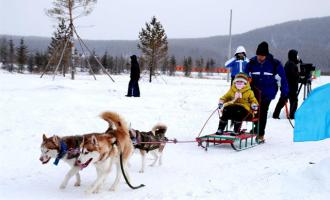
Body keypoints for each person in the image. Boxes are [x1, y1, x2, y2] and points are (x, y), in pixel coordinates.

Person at [244, 41, 289, 143]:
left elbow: (283, 79)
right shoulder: (251, 63)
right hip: (254, 92)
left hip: (268, 92)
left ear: (266, 55)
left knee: (263, 112)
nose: (260, 58)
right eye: (258, 55)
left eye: (262, 56)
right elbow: (245, 75)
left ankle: (260, 134)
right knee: (255, 111)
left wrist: (284, 93)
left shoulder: (275, 63)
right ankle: (256, 128)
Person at [273, 49, 300, 119]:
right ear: (293, 56)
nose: (298, 57)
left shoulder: (290, 63)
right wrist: (299, 76)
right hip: (290, 87)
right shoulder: (291, 64)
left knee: (282, 101)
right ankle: (291, 116)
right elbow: (293, 76)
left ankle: (276, 114)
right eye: (296, 56)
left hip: (288, 87)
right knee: (293, 101)